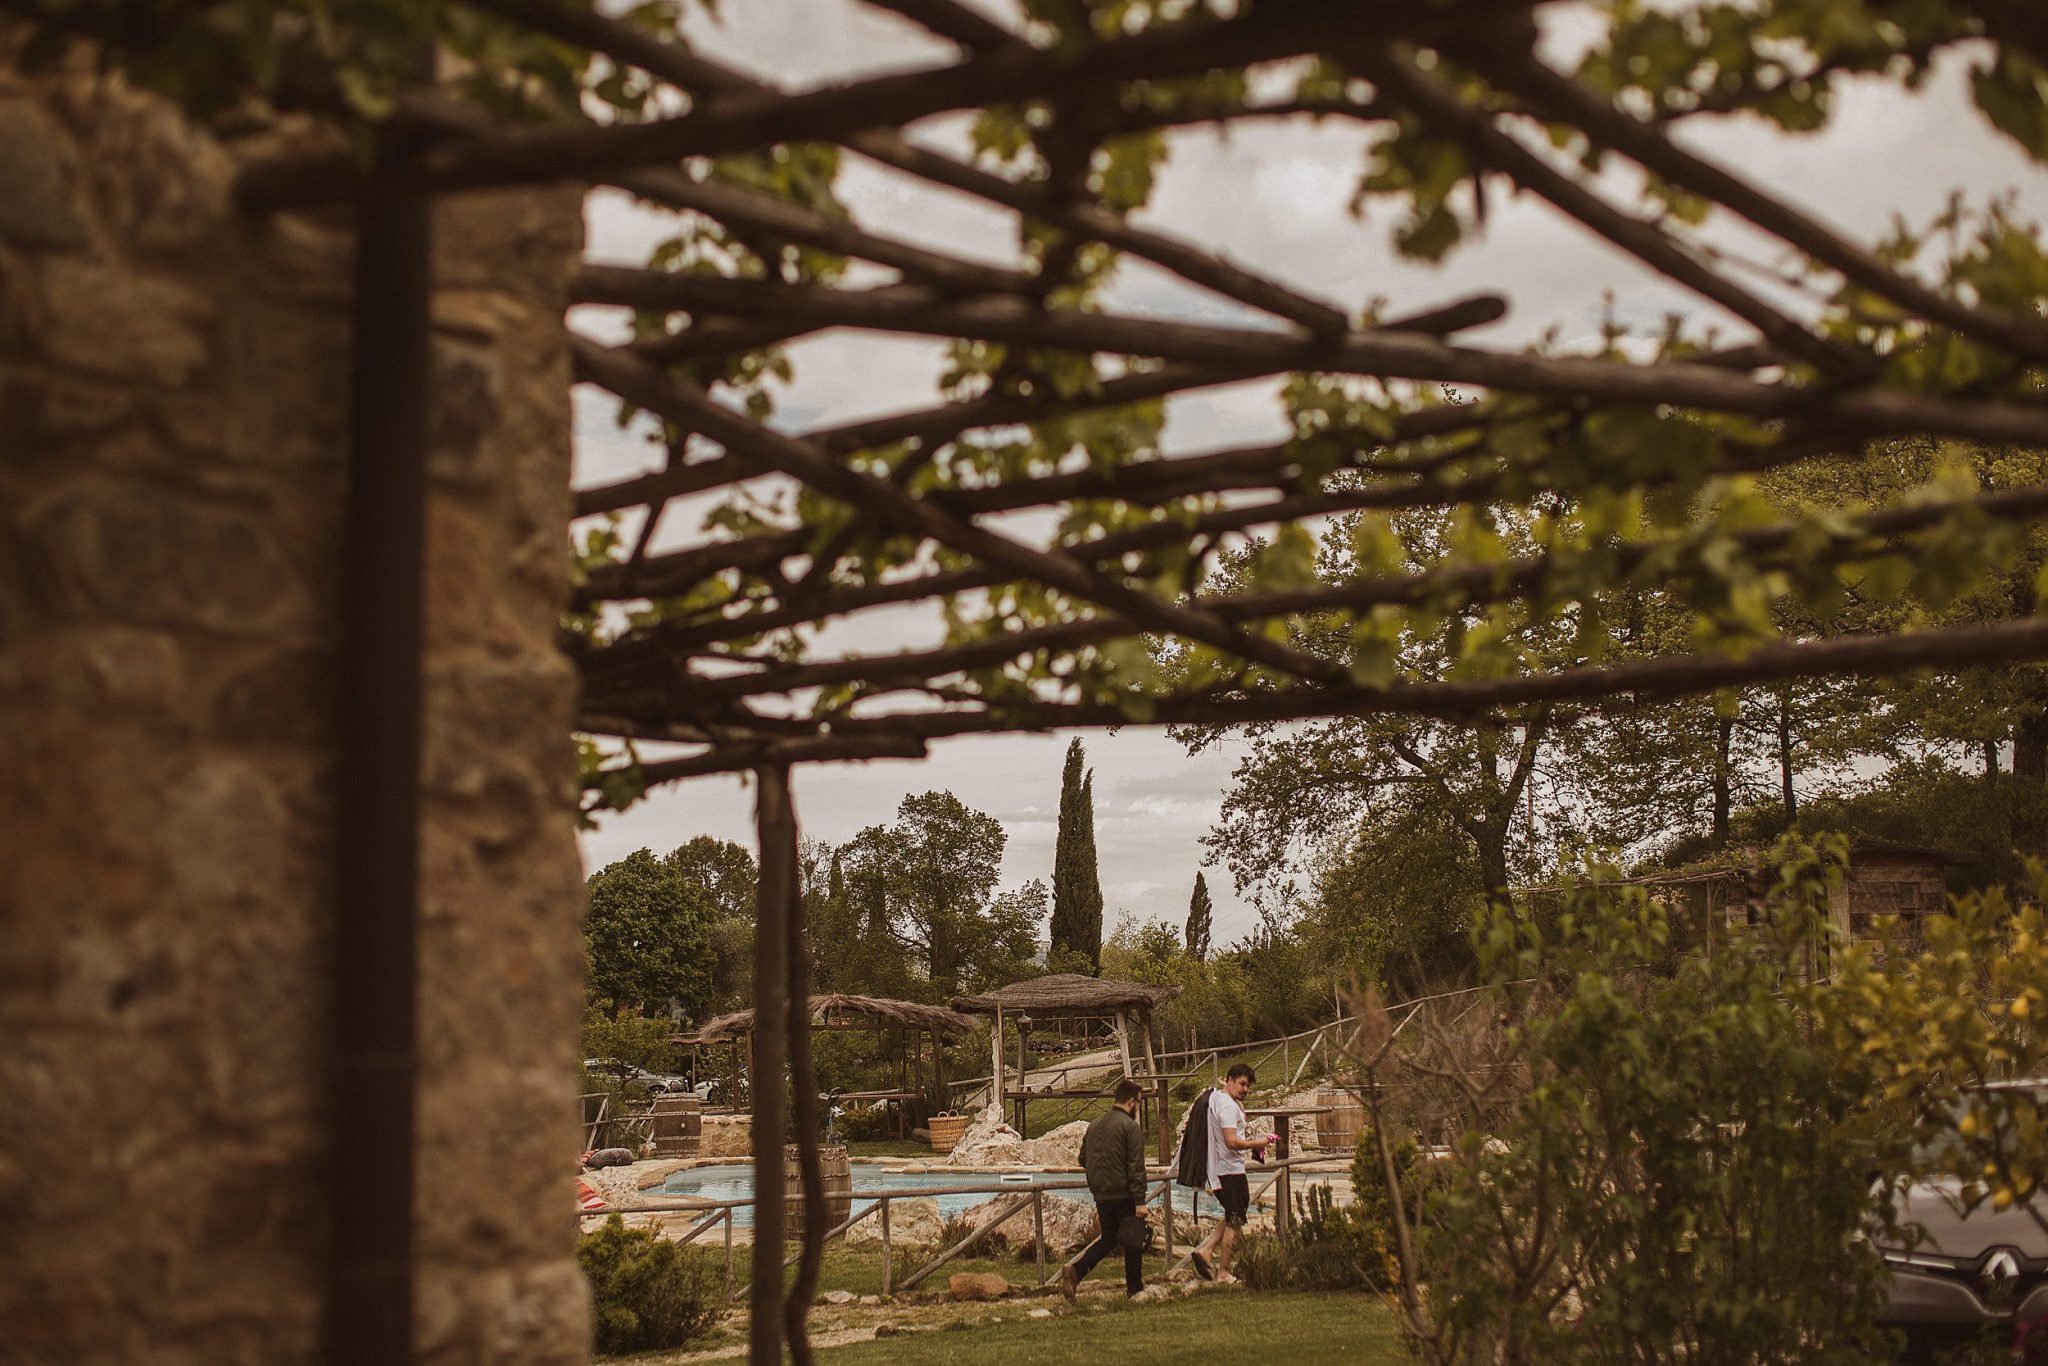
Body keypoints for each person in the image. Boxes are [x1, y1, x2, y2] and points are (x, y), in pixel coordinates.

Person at [1061, 1077, 1150, 1300]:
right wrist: (1140, 1201)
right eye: (1138, 1103)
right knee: (1133, 1240)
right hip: (1123, 1193)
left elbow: (1082, 1158)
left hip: (1101, 1194)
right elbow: (1136, 1166)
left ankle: (1077, 1271)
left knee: (1108, 1239)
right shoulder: (1130, 1127)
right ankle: (1135, 1289)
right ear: (1131, 1102)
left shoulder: (1095, 1124)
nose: (1138, 1108)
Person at [1190, 1062, 1267, 1284]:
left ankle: (1206, 1251)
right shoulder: (1227, 1107)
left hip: (1226, 1169)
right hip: (1229, 1171)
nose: (1245, 1089)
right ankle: (1223, 1272)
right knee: (1236, 1221)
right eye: (1242, 1084)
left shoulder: (1221, 1099)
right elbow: (1231, 1141)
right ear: (1230, 1080)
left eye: (1248, 1086)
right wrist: (1257, 1143)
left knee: (1233, 1214)